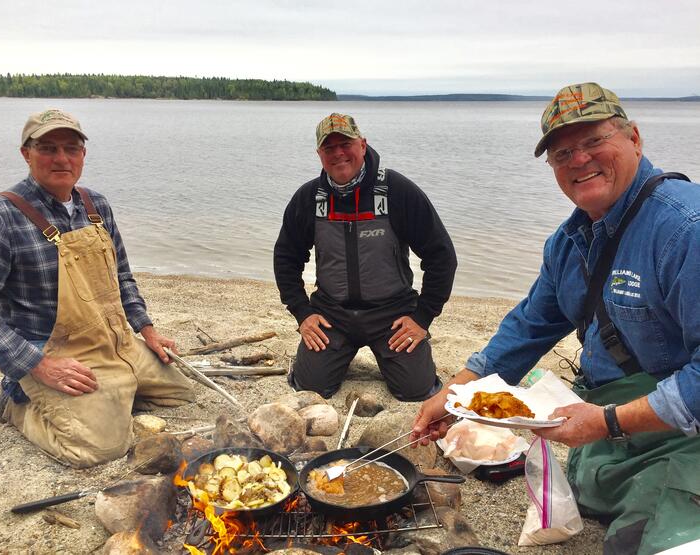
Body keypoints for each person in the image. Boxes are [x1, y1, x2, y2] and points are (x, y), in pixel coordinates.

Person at [411, 83, 700, 554]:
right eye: (562, 152)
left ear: (635, 138)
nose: (579, 160)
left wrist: (605, 422)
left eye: (593, 142)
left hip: (682, 433)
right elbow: (527, 328)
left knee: (640, 543)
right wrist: (455, 395)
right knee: (591, 492)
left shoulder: (687, 228)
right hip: (616, 428)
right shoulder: (568, 244)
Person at [0, 109, 195, 468]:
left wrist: (147, 330)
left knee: (181, 393)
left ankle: (110, 393)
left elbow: (123, 278)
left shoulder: (95, 205)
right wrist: (37, 365)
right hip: (50, 350)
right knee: (101, 448)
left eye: (71, 148)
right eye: (48, 148)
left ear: (83, 154)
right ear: (26, 154)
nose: (61, 159)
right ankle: (15, 402)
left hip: (110, 340)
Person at [274, 113, 457, 401]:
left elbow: (441, 256)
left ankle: (403, 362)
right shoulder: (310, 197)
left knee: (416, 391)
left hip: (392, 313)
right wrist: (303, 313)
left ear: (362, 144)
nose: (338, 153)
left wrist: (422, 318)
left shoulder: (397, 191)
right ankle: (334, 357)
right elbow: (286, 257)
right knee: (309, 388)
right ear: (319, 154)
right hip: (331, 313)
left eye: (345, 144)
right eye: (329, 147)